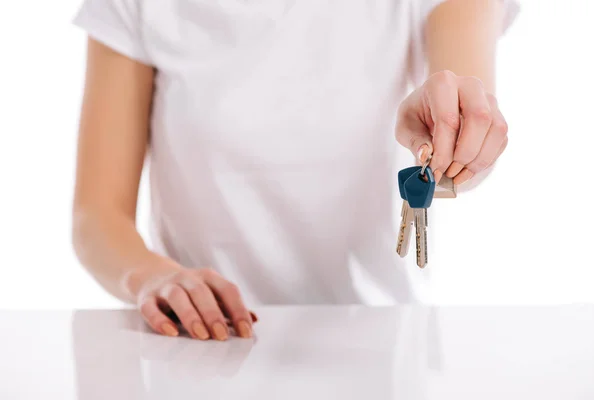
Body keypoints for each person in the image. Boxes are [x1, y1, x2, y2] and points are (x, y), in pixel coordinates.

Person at [71, 0, 518, 341]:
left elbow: (466, 125)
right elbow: (97, 215)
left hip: (380, 344)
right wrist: (151, 276)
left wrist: (457, 134)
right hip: (204, 343)